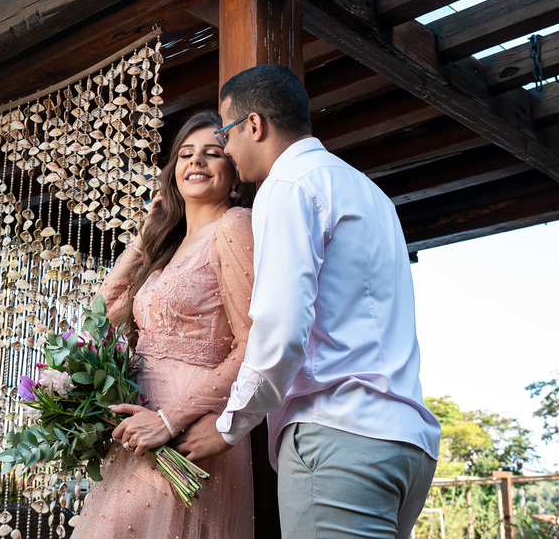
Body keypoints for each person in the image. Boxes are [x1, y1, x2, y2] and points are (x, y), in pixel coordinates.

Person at [172, 63, 441, 539]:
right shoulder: (369, 191)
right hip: (407, 443)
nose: (226, 149)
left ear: (255, 125)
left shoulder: (287, 187)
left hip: (338, 437)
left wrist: (229, 426)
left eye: (226, 134)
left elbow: (281, 326)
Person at [70, 110, 256, 539]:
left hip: (187, 429)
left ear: (234, 172)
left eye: (212, 153)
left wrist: (170, 420)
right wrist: (144, 237)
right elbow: (101, 319)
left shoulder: (234, 225)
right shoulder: (168, 249)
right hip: (138, 429)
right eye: (186, 154)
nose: (196, 161)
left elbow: (252, 345)